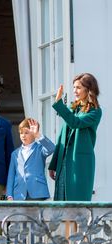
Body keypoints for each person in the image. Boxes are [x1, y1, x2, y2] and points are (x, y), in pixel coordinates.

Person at [48, 73, 102, 201]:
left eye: (78, 87)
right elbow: (62, 136)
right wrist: (54, 163)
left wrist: (58, 103)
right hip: (64, 162)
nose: (74, 91)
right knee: (61, 205)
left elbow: (75, 123)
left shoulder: (95, 111)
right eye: (73, 87)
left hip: (80, 164)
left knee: (77, 207)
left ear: (88, 89)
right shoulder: (74, 107)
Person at [6, 118, 55, 201]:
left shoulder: (40, 149)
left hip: (38, 192)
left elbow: (51, 148)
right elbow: (11, 175)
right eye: (21, 133)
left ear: (33, 134)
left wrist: (38, 135)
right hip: (19, 194)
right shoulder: (15, 153)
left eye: (26, 133)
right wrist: (9, 194)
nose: (23, 135)